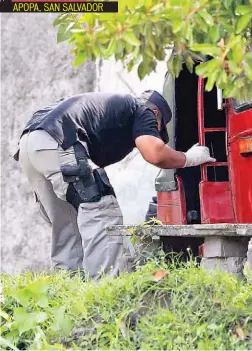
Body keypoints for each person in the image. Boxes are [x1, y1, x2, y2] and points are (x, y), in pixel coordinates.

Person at [14, 91, 216, 279]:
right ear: (157, 115)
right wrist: (189, 158)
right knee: (102, 210)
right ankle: (102, 287)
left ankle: (68, 288)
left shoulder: (113, 111)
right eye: (157, 128)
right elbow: (154, 152)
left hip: (29, 145)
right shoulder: (142, 109)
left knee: (66, 220)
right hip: (60, 143)